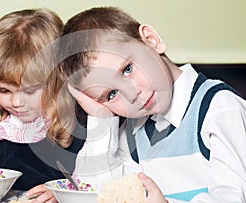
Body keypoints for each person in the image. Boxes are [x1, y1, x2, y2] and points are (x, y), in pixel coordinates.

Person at [58, 6, 246, 203]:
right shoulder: (134, 131)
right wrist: (100, 119)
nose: (132, 95)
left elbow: (234, 197)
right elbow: (93, 194)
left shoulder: (219, 108)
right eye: (112, 94)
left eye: (127, 69)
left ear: (151, 41)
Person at [0, 8, 86, 202]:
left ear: (58, 81)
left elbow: (99, 181)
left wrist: (63, 194)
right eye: (4, 90)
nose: (17, 103)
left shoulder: (83, 127)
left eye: (29, 91)